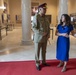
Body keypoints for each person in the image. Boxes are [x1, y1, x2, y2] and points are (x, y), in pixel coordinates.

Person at [32, 3, 50, 71]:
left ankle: (44, 62)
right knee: (37, 52)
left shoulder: (46, 17)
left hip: (45, 38)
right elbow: (34, 28)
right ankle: (37, 64)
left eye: (46, 9)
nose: (45, 10)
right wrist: (42, 33)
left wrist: (48, 34)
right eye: (44, 9)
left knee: (44, 51)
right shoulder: (36, 17)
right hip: (38, 38)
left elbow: (48, 27)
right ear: (40, 9)